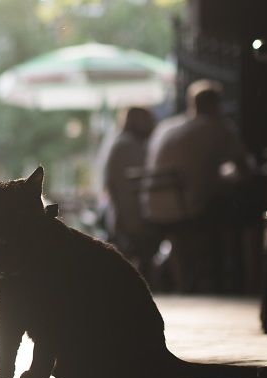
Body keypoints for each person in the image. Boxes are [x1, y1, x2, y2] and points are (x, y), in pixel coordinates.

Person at [141, 79, 256, 293]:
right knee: (235, 212)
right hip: (189, 209)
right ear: (216, 104)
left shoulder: (168, 126)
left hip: (152, 207)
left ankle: (186, 281)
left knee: (188, 226)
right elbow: (245, 169)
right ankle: (232, 280)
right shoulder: (219, 127)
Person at [102, 107, 161, 279]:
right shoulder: (129, 146)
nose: (153, 124)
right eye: (148, 119)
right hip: (134, 218)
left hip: (119, 217)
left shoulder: (118, 142)